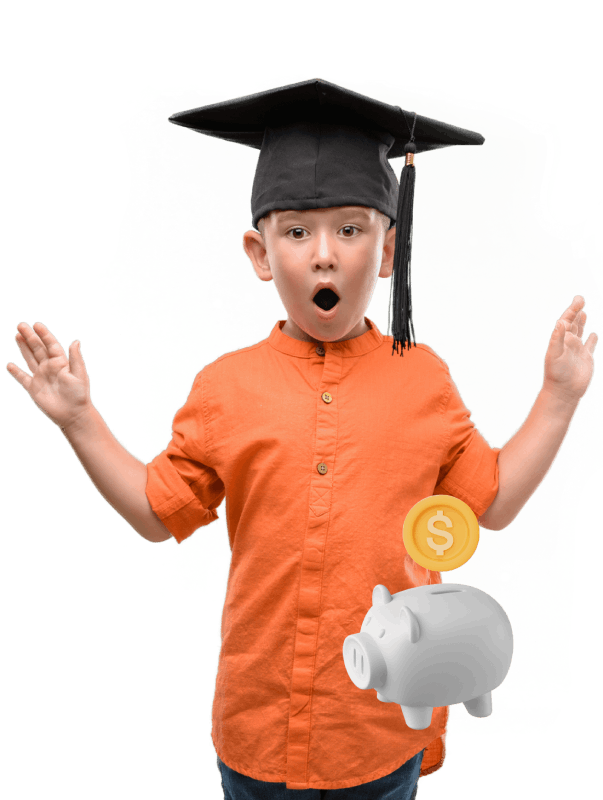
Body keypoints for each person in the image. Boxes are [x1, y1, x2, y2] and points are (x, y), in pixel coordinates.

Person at [5, 79, 597, 798]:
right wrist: (78, 418)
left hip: (381, 727)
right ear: (259, 253)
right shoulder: (224, 386)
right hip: (255, 731)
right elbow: (157, 514)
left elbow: (493, 502)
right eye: (296, 232)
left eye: (350, 229)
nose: (323, 255)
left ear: (385, 252)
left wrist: (560, 395)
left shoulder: (425, 380)